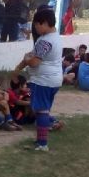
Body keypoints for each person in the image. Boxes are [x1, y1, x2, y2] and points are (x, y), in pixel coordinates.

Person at [13, 8, 64, 151]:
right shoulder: (56, 37)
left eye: (37, 25)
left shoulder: (45, 41)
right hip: (54, 79)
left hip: (43, 80)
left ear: (45, 23)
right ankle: (43, 136)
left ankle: (42, 144)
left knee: (41, 111)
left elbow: (35, 62)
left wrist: (27, 60)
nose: (35, 28)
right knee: (43, 110)